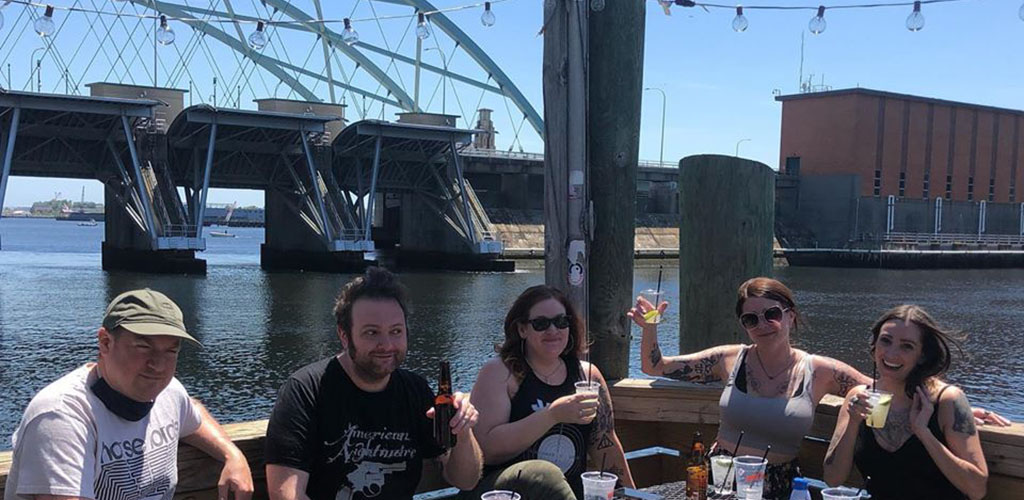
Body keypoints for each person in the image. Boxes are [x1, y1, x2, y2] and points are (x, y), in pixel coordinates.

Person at [630, 277, 1008, 500]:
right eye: (751, 317)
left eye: (772, 313)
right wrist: (649, 327)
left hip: (778, 484)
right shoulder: (730, 359)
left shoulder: (821, 370)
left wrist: (956, 407)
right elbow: (655, 367)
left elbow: (888, 385)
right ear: (743, 324)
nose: (763, 323)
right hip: (720, 477)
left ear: (790, 315)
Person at [4, 288, 254, 500]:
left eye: (171, 351)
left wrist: (232, 455)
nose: (158, 365)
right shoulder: (60, 416)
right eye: (143, 346)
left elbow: (192, 414)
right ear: (105, 342)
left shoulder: (168, 391)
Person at [265, 267, 483, 500]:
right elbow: (286, 495)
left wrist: (462, 430)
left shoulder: (415, 390)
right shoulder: (306, 390)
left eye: (396, 331)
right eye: (372, 333)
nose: (387, 344)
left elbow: (466, 480)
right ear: (344, 334)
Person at [465, 285, 634, 499]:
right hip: (507, 492)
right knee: (545, 474)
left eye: (561, 322)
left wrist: (632, 494)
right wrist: (552, 415)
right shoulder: (500, 372)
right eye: (541, 323)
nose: (553, 330)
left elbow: (605, 444)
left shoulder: (587, 375)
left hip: (570, 493)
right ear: (522, 329)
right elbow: (486, 450)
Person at [823, 305, 988, 500]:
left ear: (923, 355)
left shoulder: (947, 401)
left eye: (906, 346)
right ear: (874, 345)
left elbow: (977, 489)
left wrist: (924, 433)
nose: (892, 354)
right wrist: (853, 422)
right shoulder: (859, 397)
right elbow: (832, 479)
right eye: (885, 341)